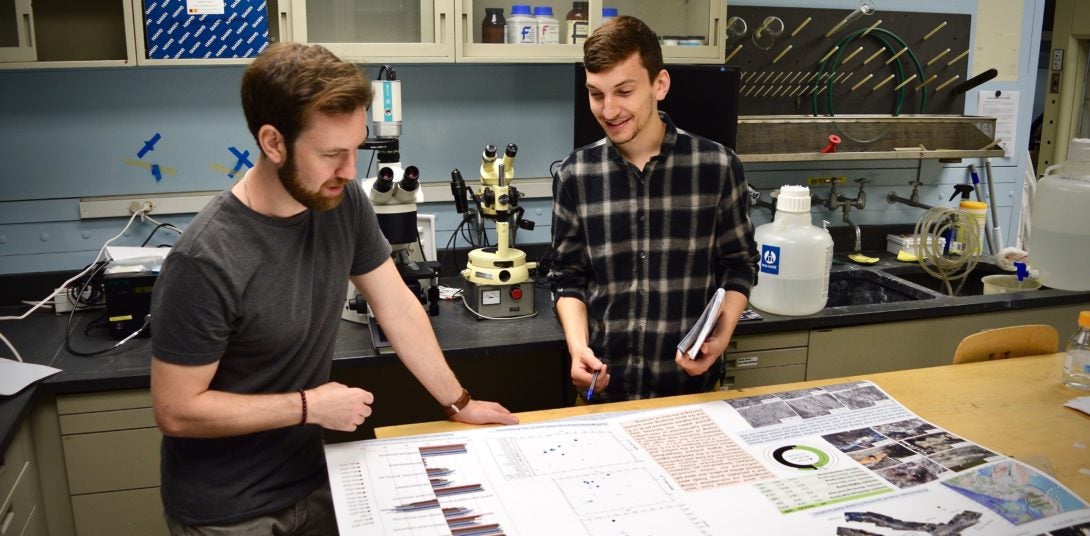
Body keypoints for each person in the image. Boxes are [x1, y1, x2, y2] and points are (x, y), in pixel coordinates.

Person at [149, 42, 518, 534]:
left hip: (315, 481)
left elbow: (397, 306)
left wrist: (459, 403)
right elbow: (177, 411)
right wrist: (309, 406)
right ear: (273, 143)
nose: (349, 172)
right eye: (330, 154)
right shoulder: (205, 259)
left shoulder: (342, 205)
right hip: (229, 512)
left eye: (355, 150)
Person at [548, 16, 758, 402]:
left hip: (691, 392)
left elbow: (740, 265)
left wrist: (721, 338)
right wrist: (579, 349)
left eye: (624, 91)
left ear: (659, 84)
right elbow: (567, 277)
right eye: (596, 94)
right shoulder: (575, 174)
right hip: (605, 394)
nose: (609, 110)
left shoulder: (717, 167)